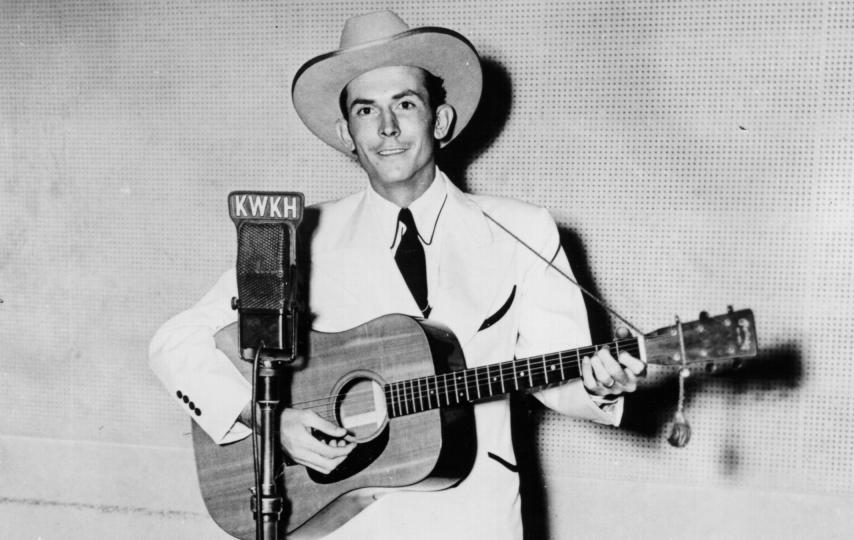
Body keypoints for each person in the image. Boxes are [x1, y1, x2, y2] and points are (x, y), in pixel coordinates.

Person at [149, 10, 645, 540]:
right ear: (346, 133)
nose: (387, 128)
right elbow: (174, 343)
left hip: (475, 517)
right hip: (343, 522)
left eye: (405, 104)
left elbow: (561, 373)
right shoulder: (300, 236)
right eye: (367, 110)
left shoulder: (521, 229)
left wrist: (601, 384)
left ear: (441, 120)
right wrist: (265, 420)